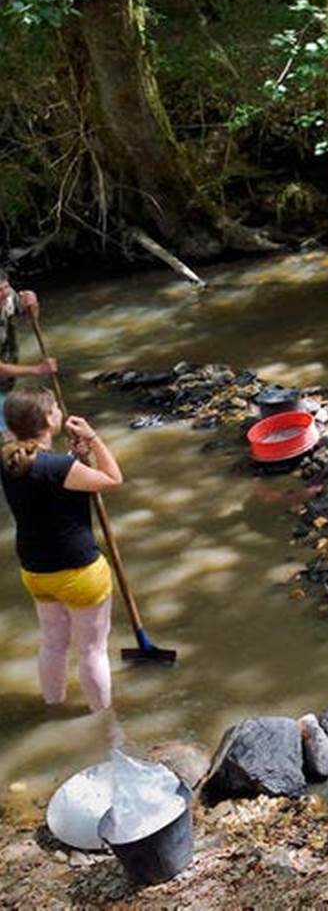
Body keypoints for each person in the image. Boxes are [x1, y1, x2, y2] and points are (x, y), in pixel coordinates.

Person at [1, 386, 123, 712]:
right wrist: (94, 439)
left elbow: (51, 475)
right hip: (80, 572)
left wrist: (76, 456)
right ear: (46, 419)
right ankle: (104, 723)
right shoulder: (58, 468)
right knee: (92, 651)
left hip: (36, 571)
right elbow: (113, 478)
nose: (60, 412)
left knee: (53, 644)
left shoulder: (10, 462)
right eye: (55, 407)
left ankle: (52, 708)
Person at [1, 272, 57, 435]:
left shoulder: (8, 297)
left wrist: (33, 304)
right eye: (0, 290)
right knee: (11, 435)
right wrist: (38, 369)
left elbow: (31, 317)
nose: (4, 293)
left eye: (6, 287)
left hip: (6, 383)